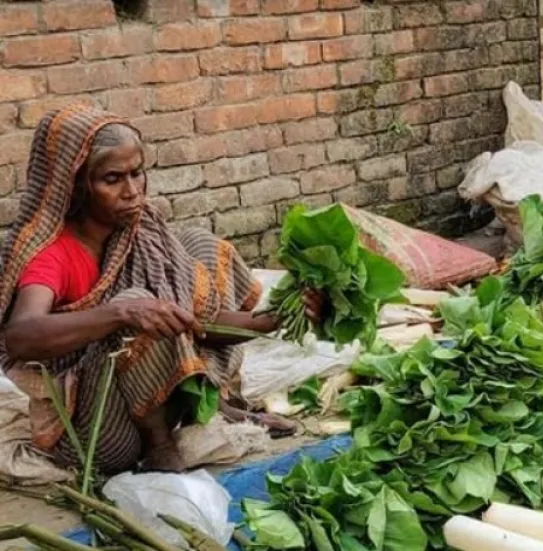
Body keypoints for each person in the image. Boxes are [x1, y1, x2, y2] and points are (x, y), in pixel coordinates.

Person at [0, 106, 324, 473]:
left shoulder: (142, 232)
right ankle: (161, 448)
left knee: (199, 246)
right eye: (112, 179)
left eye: (137, 173)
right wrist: (119, 313)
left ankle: (218, 404)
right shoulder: (53, 253)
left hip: (155, 397)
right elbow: (20, 336)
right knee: (135, 304)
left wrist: (271, 319)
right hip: (99, 433)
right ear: (75, 185)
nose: (132, 191)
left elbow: (196, 320)